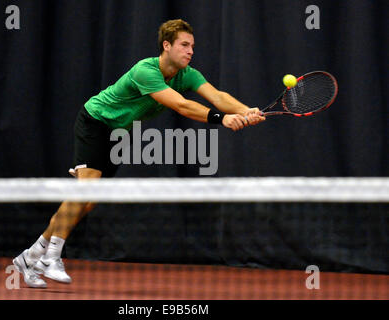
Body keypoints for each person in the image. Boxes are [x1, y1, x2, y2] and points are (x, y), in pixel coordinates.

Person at [13, 19, 266, 288]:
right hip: (95, 121)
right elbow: (181, 105)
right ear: (166, 46)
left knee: (89, 201)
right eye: (184, 45)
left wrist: (245, 110)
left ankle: (31, 256)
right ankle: (52, 257)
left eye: (192, 46)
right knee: (84, 191)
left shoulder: (187, 74)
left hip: (116, 133)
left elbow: (217, 96)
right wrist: (222, 119)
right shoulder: (145, 71)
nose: (190, 51)